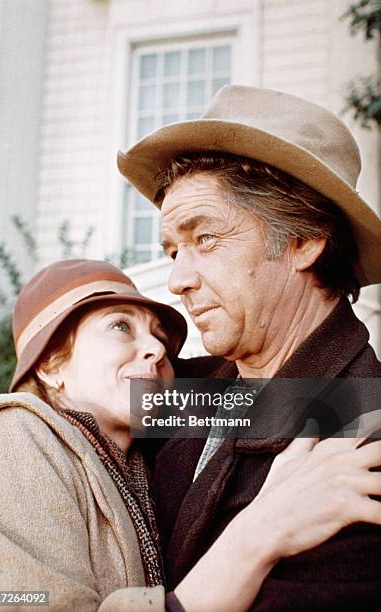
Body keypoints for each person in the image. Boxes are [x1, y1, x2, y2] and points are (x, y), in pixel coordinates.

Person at [0, 258, 381, 612]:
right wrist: (261, 530)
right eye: (120, 326)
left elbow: (315, 395)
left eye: (159, 337)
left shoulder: (143, 452)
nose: (155, 348)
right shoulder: (16, 434)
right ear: (52, 365)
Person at [117, 85, 381, 608]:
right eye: (174, 250)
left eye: (206, 239)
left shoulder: (363, 440)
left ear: (304, 240)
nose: (177, 280)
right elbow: (85, 414)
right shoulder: (203, 387)